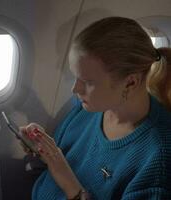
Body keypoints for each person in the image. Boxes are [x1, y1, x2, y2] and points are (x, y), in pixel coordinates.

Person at [21, 16, 171, 200]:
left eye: (88, 82)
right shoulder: (86, 108)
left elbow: (62, 171)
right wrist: (42, 149)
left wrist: (72, 187)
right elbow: (54, 164)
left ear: (130, 83)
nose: (75, 89)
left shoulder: (158, 158)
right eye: (75, 77)